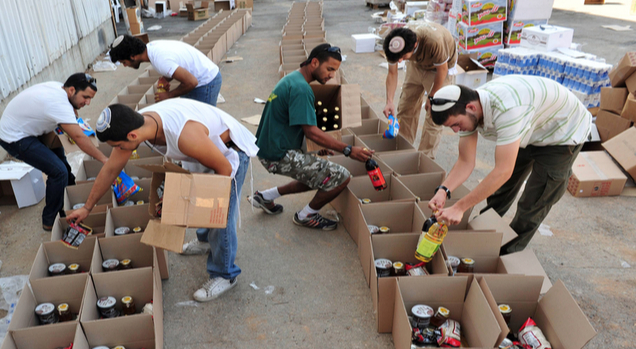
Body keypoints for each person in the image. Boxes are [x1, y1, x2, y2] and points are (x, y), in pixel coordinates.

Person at [67, 100, 258, 302]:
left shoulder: (183, 135)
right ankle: (205, 242)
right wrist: (87, 208)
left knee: (219, 213)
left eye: (118, 146)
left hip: (228, 154)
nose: (119, 150)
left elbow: (224, 170)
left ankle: (225, 274)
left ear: (132, 136)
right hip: (204, 151)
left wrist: (207, 201)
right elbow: (111, 170)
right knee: (199, 200)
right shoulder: (139, 123)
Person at [427, 77, 592, 254]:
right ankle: (483, 237)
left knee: (534, 202)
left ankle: (504, 256)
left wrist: (460, 207)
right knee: (502, 190)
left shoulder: (508, 110)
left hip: (562, 133)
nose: (456, 131)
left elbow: (503, 171)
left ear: (471, 108)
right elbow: (466, 161)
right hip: (531, 125)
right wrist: (444, 190)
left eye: (456, 125)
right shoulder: (469, 106)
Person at [251, 43, 374, 230]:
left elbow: (296, 125)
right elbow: (311, 131)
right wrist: (348, 150)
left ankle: (265, 196)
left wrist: (316, 146)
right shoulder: (302, 89)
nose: (332, 75)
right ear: (314, 62)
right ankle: (306, 215)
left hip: (271, 147)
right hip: (277, 154)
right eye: (329, 69)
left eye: (335, 71)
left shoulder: (293, 79)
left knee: (319, 175)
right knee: (340, 176)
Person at [0, 73, 108, 230]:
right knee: (58, 172)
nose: (88, 102)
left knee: (64, 168)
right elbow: (78, 137)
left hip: (30, 129)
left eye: (90, 99)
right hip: (15, 138)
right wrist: (104, 160)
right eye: (85, 97)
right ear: (71, 90)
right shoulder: (58, 104)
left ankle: (71, 203)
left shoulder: (60, 89)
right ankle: (50, 219)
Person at [382, 23, 457, 159]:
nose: (399, 61)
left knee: (434, 114)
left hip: (439, 69)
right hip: (416, 65)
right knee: (406, 107)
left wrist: (432, 96)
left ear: (415, 45)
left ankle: (424, 159)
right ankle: (402, 152)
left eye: (403, 58)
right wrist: (389, 101)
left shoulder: (434, 41)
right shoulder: (394, 44)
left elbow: (442, 70)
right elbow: (392, 74)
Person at [109, 35, 222, 106]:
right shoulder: (151, 48)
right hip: (200, 77)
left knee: (203, 125)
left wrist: (169, 95)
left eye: (124, 62)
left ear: (132, 56)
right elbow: (174, 62)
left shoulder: (160, 61)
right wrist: (165, 78)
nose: (125, 66)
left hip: (206, 82)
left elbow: (192, 82)